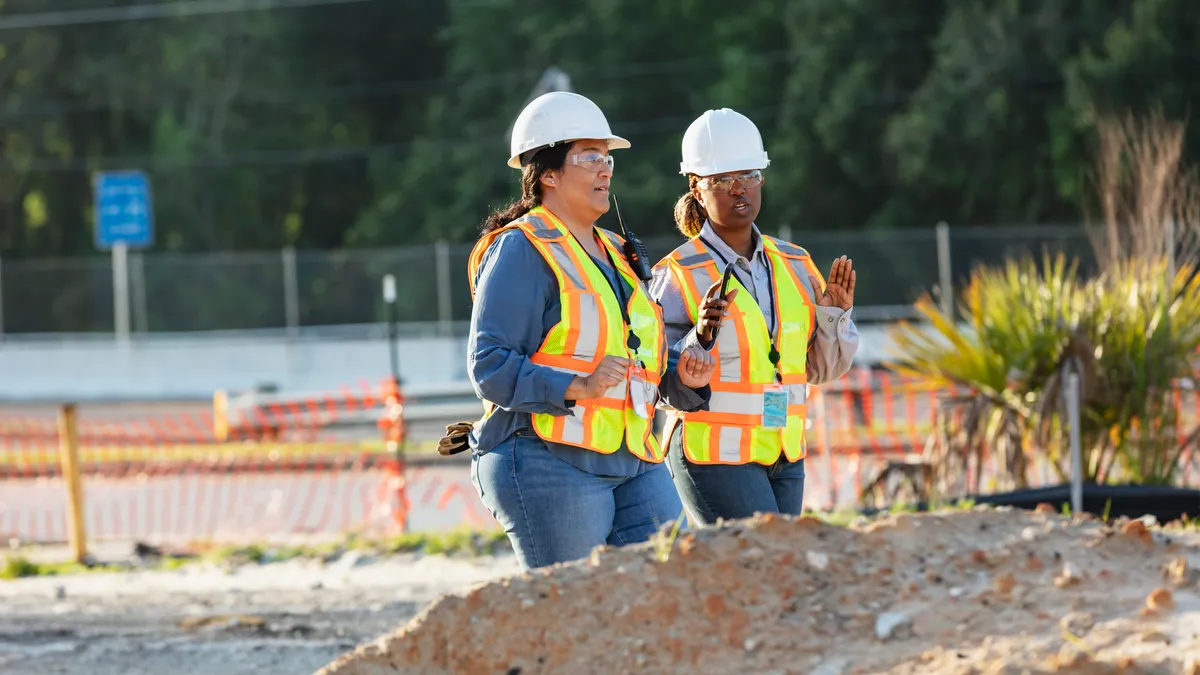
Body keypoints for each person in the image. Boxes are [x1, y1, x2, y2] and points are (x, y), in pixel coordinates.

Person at [462, 91, 716, 569]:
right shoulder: (522, 250)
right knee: (570, 617)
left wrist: (683, 377)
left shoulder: (620, 253)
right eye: (590, 157)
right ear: (549, 174)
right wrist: (578, 385)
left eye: (608, 157)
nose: (606, 169)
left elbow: (639, 363)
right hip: (545, 461)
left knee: (671, 592)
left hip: (632, 459)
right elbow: (489, 364)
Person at [649, 108, 860, 526]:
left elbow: (818, 370)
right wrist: (698, 339)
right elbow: (658, 377)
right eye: (722, 180)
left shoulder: (797, 265)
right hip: (713, 454)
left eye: (749, 176)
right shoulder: (676, 274)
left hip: (783, 450)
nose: (738, 189)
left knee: (778, 573)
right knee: (756, 565)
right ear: (696, 187)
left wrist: (833, 317)